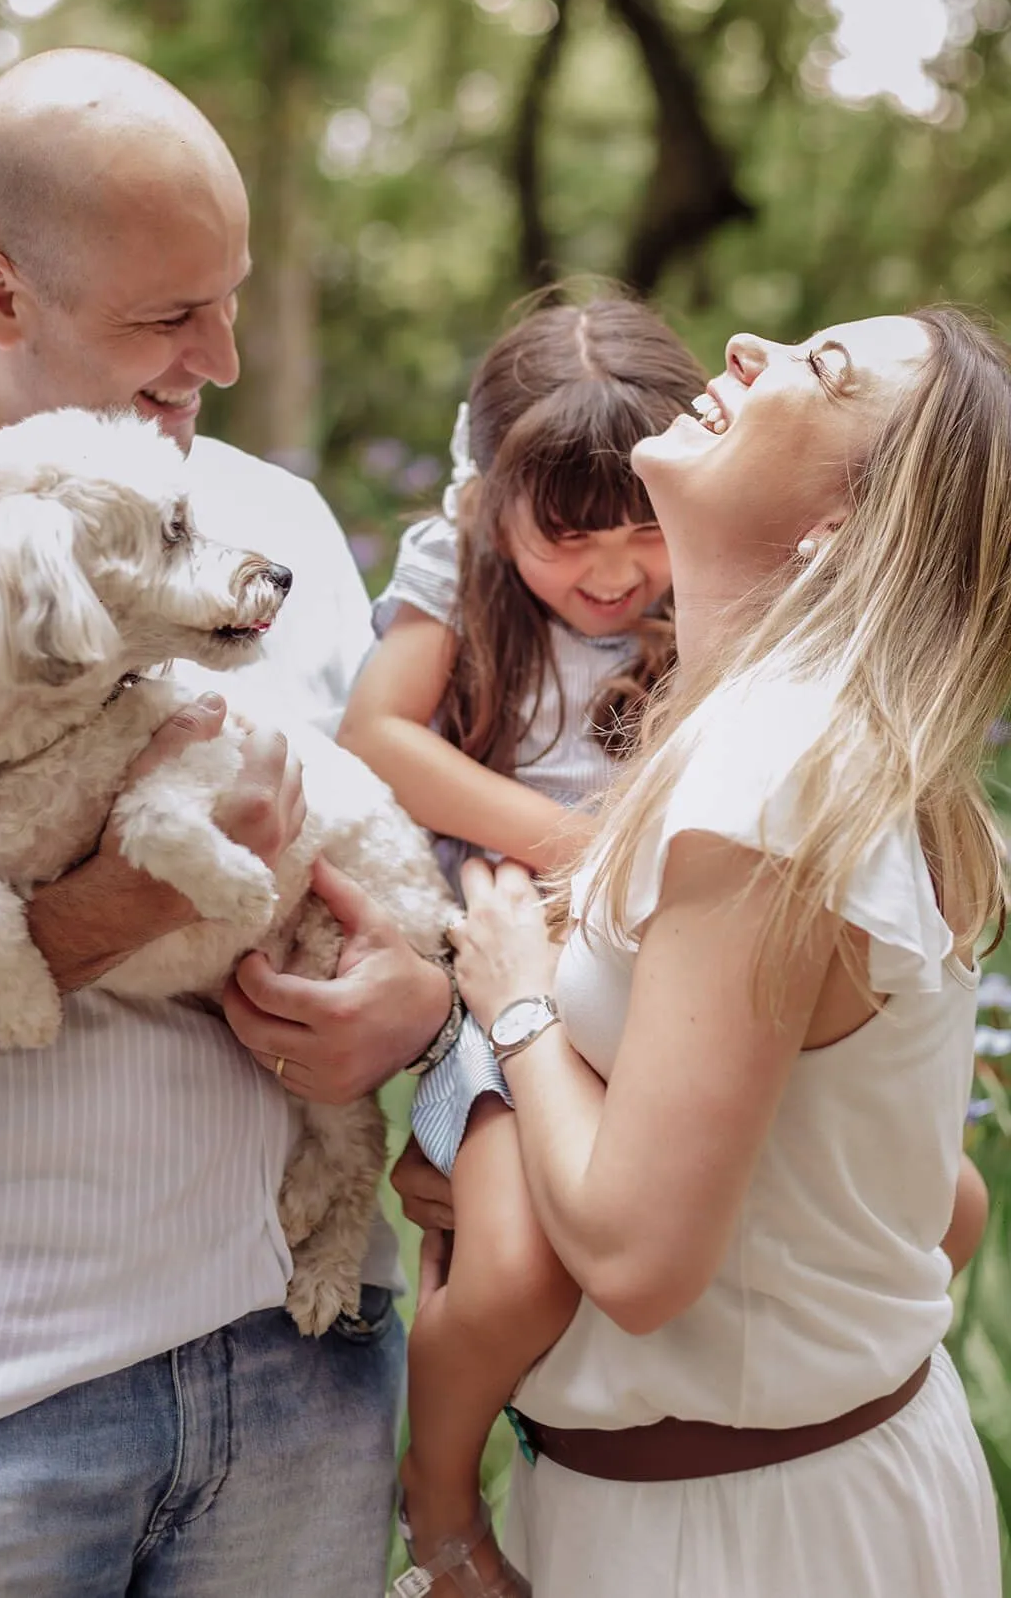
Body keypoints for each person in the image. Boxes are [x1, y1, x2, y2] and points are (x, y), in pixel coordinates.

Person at [0, 48, 459, 1598]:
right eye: (168, 316)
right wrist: (110, 910)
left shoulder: (271, 525)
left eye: (228, 298)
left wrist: (414, 1008)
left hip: (307, 1371)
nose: (218, 360)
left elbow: (402, 867)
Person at [435, 309, 1006, 1595]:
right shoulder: (798, 742)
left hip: (738, 1534)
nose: (750, 345)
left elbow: (638, 1262)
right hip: (782, 1482)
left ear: (845, 525)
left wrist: (518, 1005)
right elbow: (936, 1203)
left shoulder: (772, 774)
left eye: (824, 369)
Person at [340, 299, 705, 1595]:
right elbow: (379, 738)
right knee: (508, 1275)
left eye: (643, 531)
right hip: (513, 956)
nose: (614, 576)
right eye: (569, 543)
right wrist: (572, 853)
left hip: (680, 968)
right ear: (495, 506)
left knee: (944, 1209)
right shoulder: (457, 566)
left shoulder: (728, 560)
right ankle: (437, 1512)